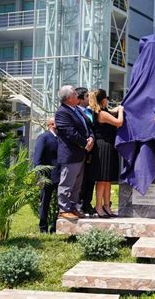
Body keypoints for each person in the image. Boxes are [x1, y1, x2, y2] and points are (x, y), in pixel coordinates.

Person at [55, 85, 94, 220]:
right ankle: (64, 209)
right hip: (70, 155)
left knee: (77, 185)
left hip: (81, 154)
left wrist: (91, 138)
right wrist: (85, 143)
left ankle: (73, 207)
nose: (77, 95)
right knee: (67, 184)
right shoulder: (62, 112)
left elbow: (87, 126)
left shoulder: (77, 109)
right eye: (74, 94)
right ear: (69, 98)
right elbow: (70, 133)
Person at [89, 89, 124, 218]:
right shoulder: (101, 114)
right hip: (102, 147)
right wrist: (120, 111)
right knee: (102, 179)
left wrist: (117, 109)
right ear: (103, 100)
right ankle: (99, 206)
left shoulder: (103, 111)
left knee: (107, 180)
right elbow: (119, 122)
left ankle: (107, 206)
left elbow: (112, 112)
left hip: (108, 146)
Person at [33, 117, 60, 233]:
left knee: (60, 203)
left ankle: (55, 227)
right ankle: (43, 228)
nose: (58, 125)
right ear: (50, 124)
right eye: (55, 123)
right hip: (47, 177)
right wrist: (41, 176)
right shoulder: (43, 137)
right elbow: (37, 159)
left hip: (59, 176)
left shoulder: (60, 138)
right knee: (45, 203)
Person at [75, 87, 95, 216]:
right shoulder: (75, 112)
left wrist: (92, 138)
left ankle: (87, 203)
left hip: (92, 148)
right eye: (87, 96)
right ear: (80, 98)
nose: (90, 98)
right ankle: (79, 204)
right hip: (81, 149)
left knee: (90, 178)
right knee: (80, 180)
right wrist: (85, 142)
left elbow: (92, 128)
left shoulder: (90, 112)